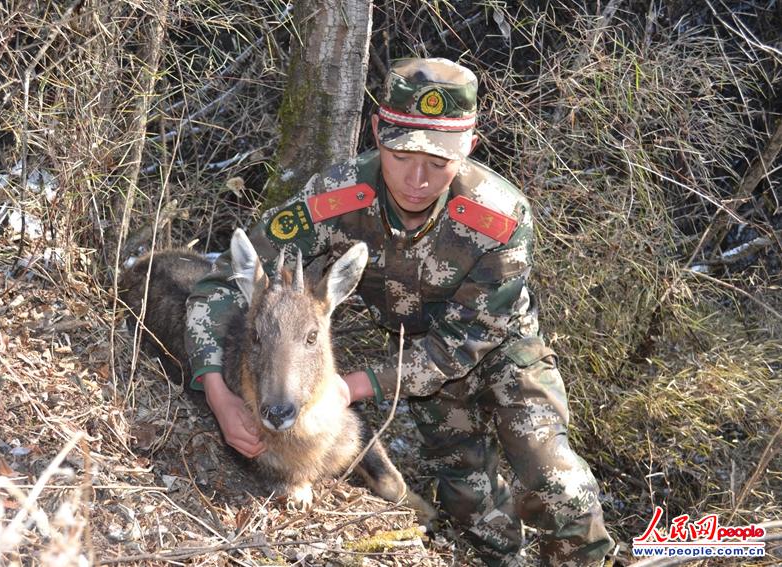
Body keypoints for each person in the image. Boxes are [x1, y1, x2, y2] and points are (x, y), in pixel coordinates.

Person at [185, 57, 614, 566]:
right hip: (413, 354)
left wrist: (353, 385)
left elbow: (467, 340)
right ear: (376, 132)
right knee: (472, 510)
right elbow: (220, 286)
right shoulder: (336, 198)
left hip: (501, 349)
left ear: (470, 145)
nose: (416, 179)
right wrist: (216, 390)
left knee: (557, 483)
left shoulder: (498, 218)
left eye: (438, 162)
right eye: (401, 153)